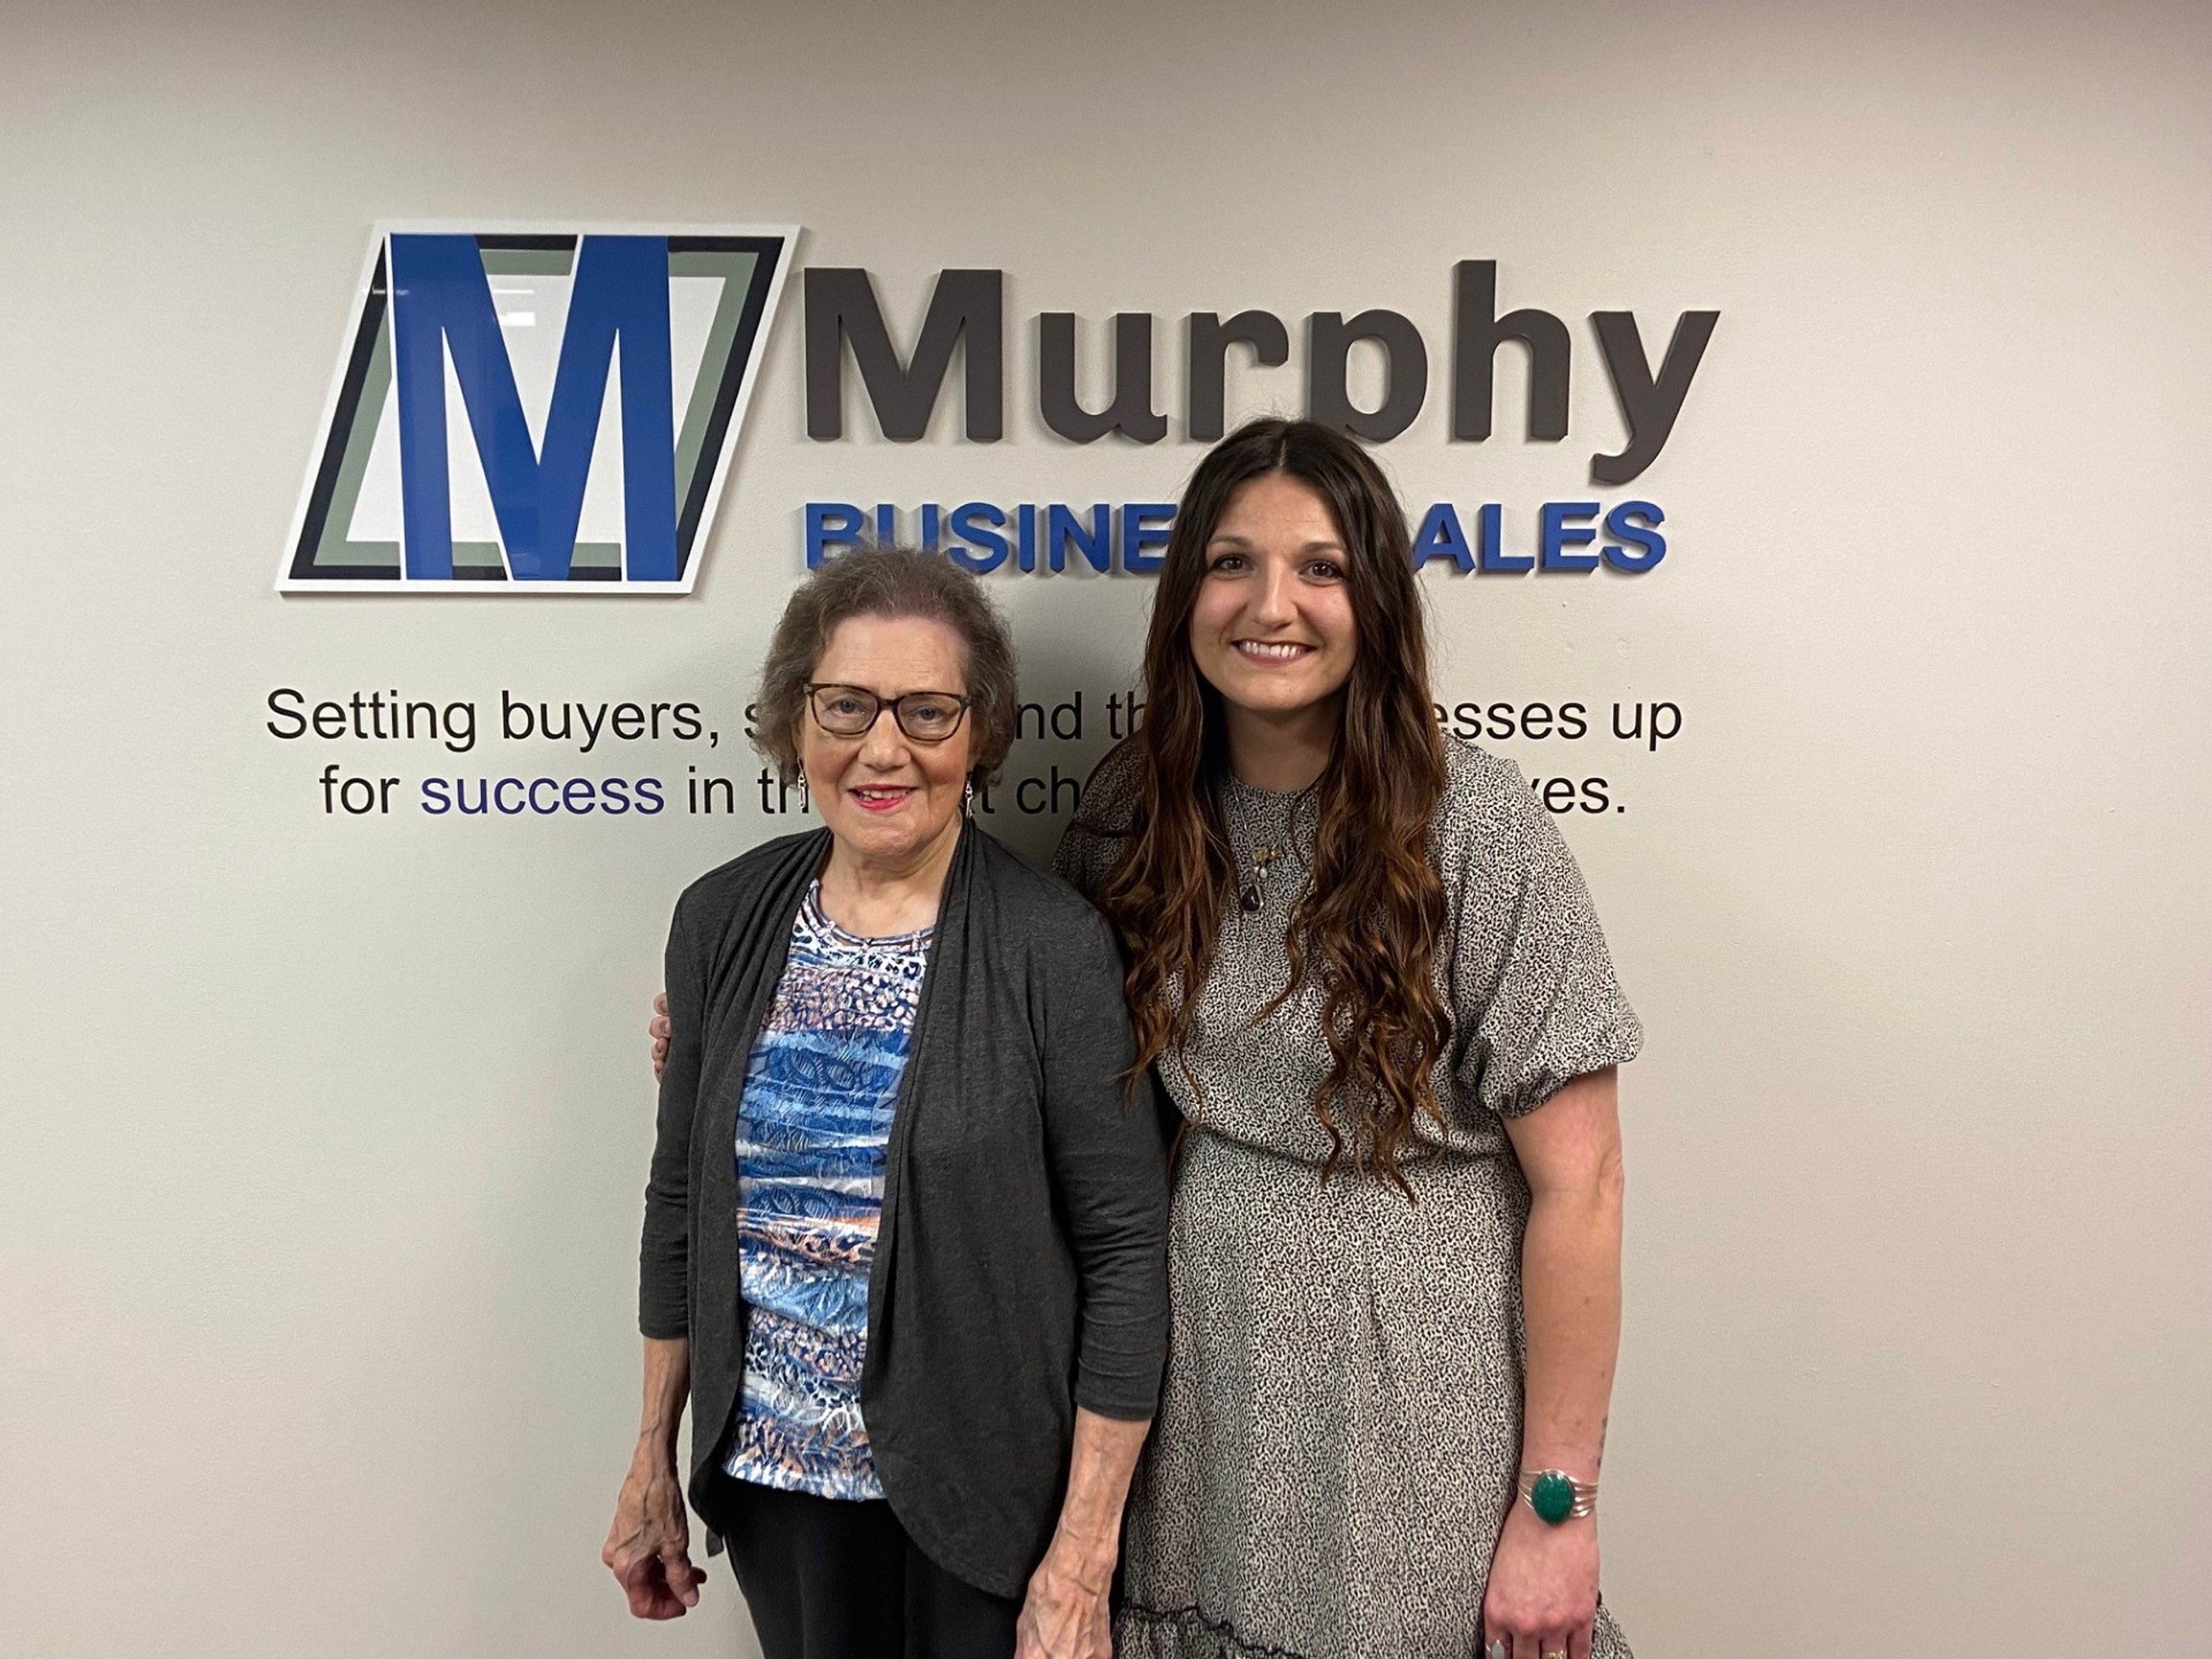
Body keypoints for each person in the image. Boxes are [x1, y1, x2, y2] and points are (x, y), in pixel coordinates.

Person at [1053, 419, 1642, 1659]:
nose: (1275, 604)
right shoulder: (1129, 813)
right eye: (1232, 563)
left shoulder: (1471, 820)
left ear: (1374, 598)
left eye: (1321, 568)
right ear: (1186, 596)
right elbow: (1056, 1075)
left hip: (1413, 1386)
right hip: (1198, 1366)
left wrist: (1560, 1511)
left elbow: (1583, 1184)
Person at [607, 546, 1170, 1659]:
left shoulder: (1052, 948)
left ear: (980, 733)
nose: (883, 748)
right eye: (847, 705)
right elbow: (680, 1206)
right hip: (776, 1495)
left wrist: (1085, 1550)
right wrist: (650, 1460)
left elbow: (1124, 1251)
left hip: (987, 1509)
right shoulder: (721, 921)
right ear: (795, 723)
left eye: (926, 711)